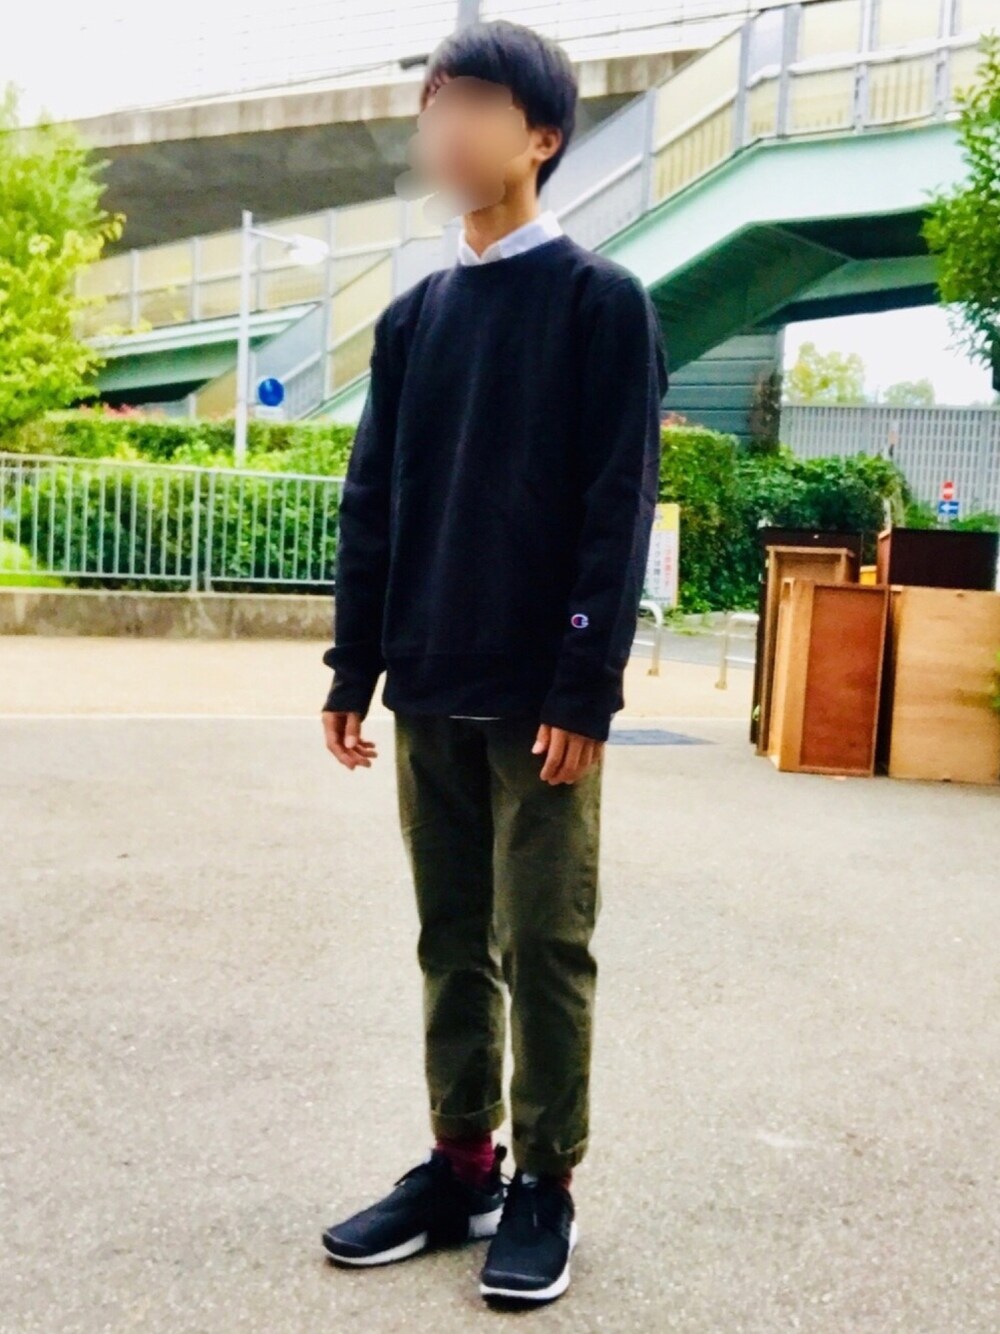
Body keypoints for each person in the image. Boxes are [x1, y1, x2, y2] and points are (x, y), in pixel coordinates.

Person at [319, 16, 668, 1306]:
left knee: (545, 940)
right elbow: (375, 502)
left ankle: (545, 1181)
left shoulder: (600, 305)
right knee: (449, 935)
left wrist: (585, 685)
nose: (445, 126)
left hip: (540, 698)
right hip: (429, 680)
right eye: (434, 105)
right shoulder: (414, 320)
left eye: (472, 103)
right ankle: (462, 1166)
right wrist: (354, 666)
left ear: (541, 136)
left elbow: (615, 506)